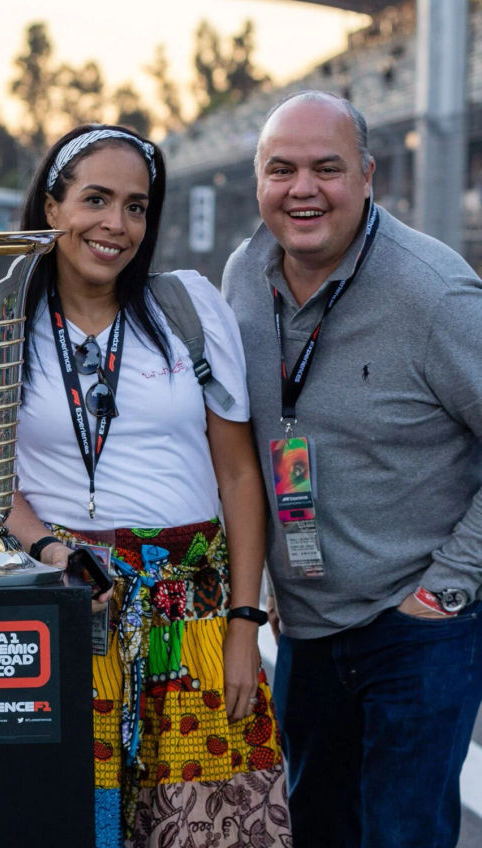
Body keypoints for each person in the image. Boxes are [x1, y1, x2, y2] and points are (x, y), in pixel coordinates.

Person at [3, 125, 290, 848]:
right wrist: (47, 550)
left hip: (194, 616)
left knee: (210, 828)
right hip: (72, 607)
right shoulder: (4, 321)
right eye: (96, 199)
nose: (117, 224)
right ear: (51, 205)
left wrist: (244, 623)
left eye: (136, 207)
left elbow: (238, 474)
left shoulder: (186, 307)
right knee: (76, 823)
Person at [223, 90, 482, 848]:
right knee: (314, 828)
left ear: (368, 176)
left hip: (416, 627)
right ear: (259, 181)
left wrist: (447, 587)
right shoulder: (243, 277)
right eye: (281, 170)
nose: (302, 189)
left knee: (401, 835)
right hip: (307, 625)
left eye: (327, 168)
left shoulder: (435, 293)